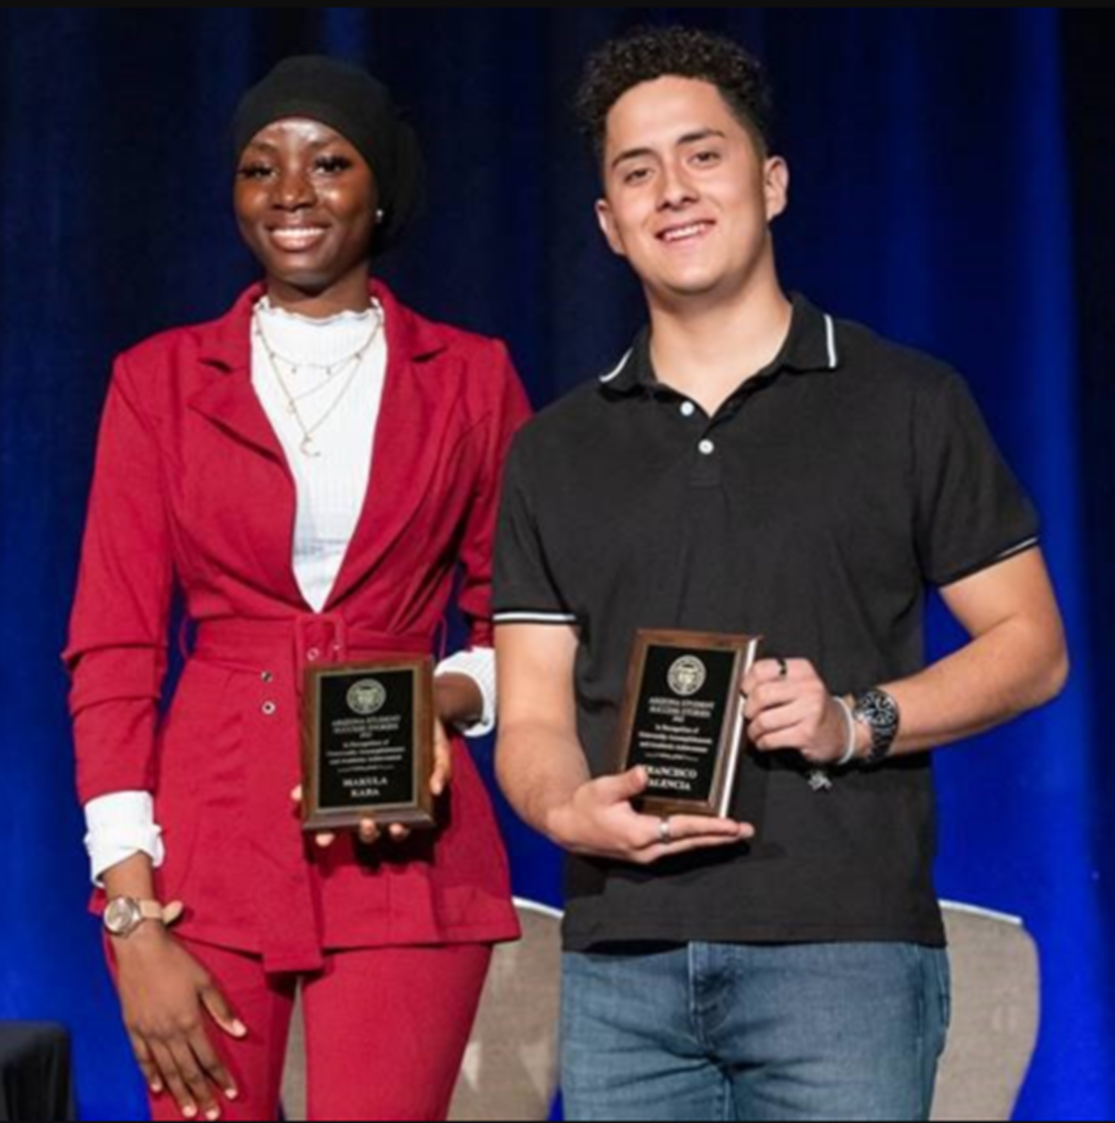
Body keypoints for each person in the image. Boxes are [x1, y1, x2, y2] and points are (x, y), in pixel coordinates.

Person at [493, 26, 1068, 1123]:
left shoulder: (904, 402)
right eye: (636, 170)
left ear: (771, 182)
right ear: (609, 226)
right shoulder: (553, 448)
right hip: (622, 961)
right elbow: (528, 709)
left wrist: (854, 720)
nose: (673, 190)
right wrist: (568, 810)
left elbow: (1030, 647)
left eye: (702, 155)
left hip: (842, 955)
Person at [64, 55, 530, 1123]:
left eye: (328, 162)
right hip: (205, 852)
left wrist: (439, 702)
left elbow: (522, 616)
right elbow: (114, 649)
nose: (290, 193)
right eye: (258, 168)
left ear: (381, 191)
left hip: (403, 847)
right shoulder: (158, 381)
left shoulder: (469, 376)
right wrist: (131, 915)